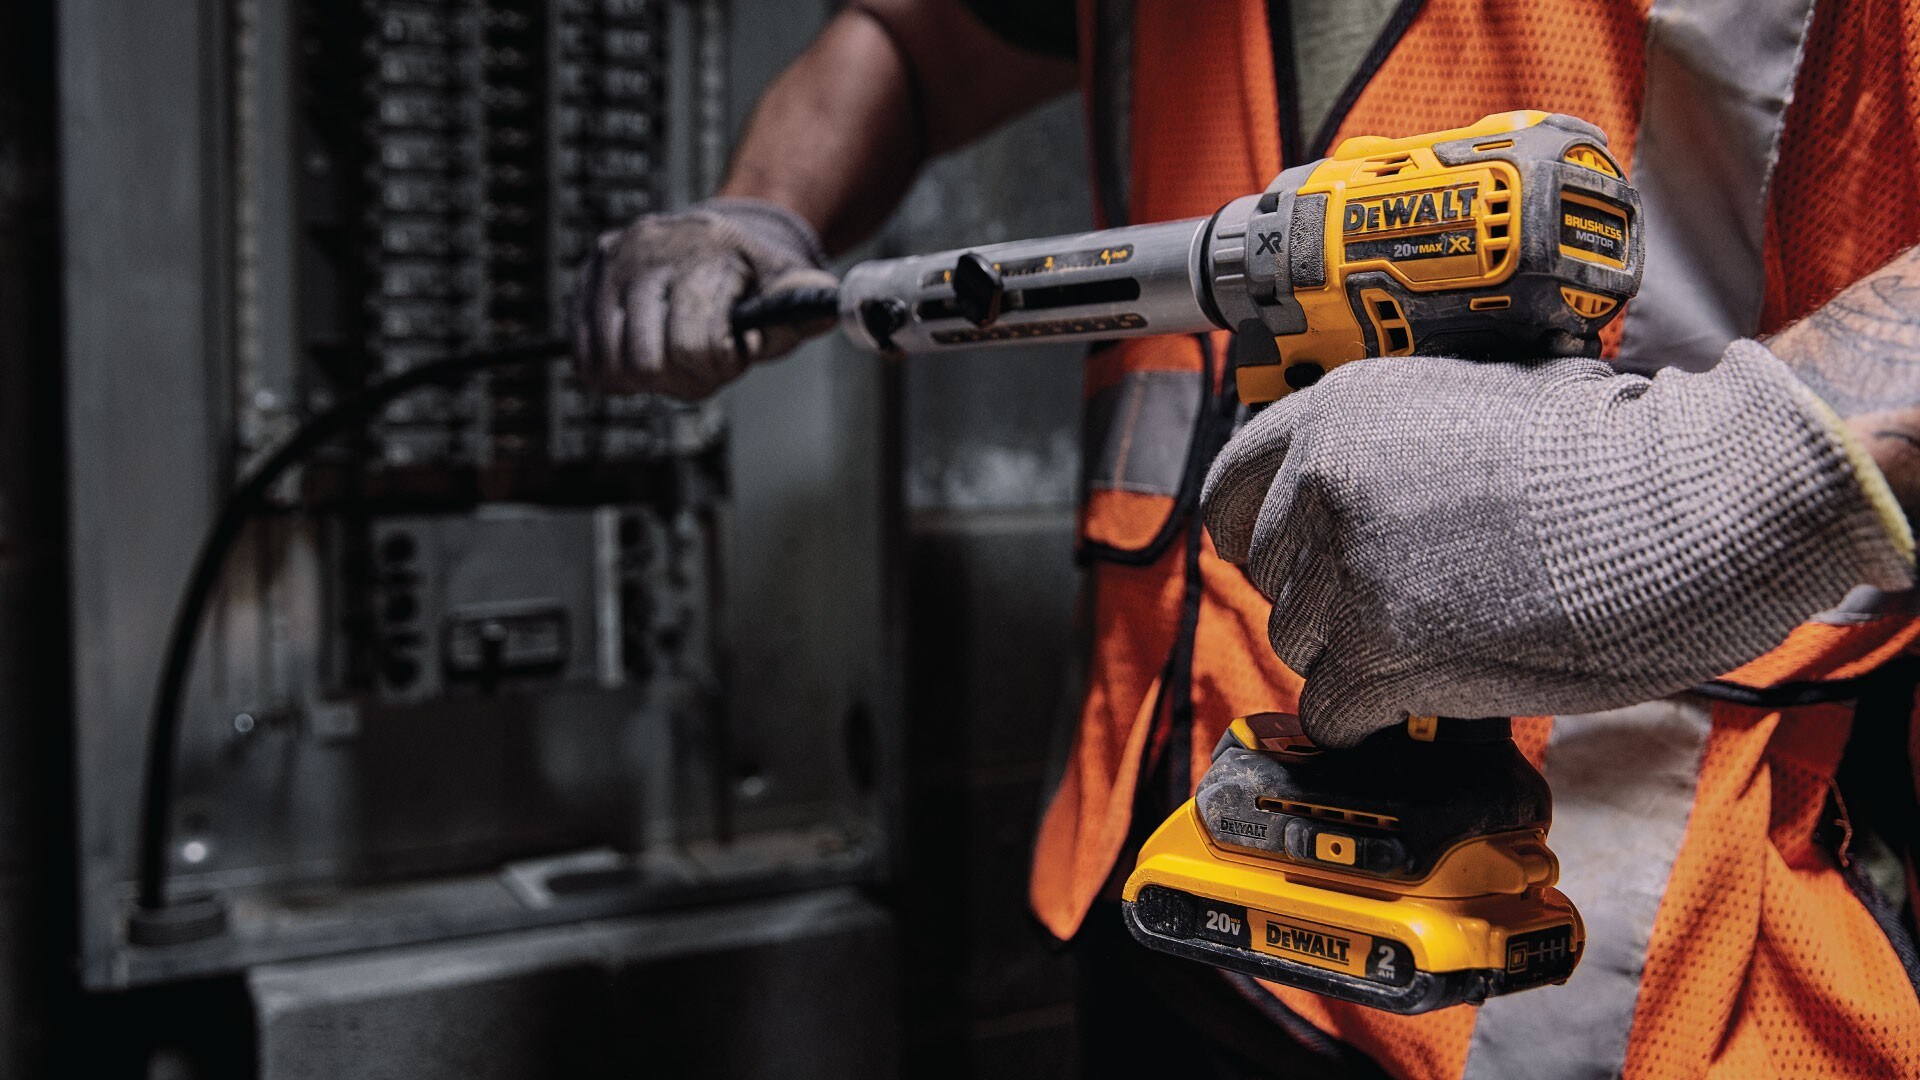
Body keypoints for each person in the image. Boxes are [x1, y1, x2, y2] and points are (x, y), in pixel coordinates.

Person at [574, 2, 1920, 1076]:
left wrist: (1736, 475)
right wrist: (759, 209)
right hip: (1176, 896)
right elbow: (927, 37)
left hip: (1627, 982)